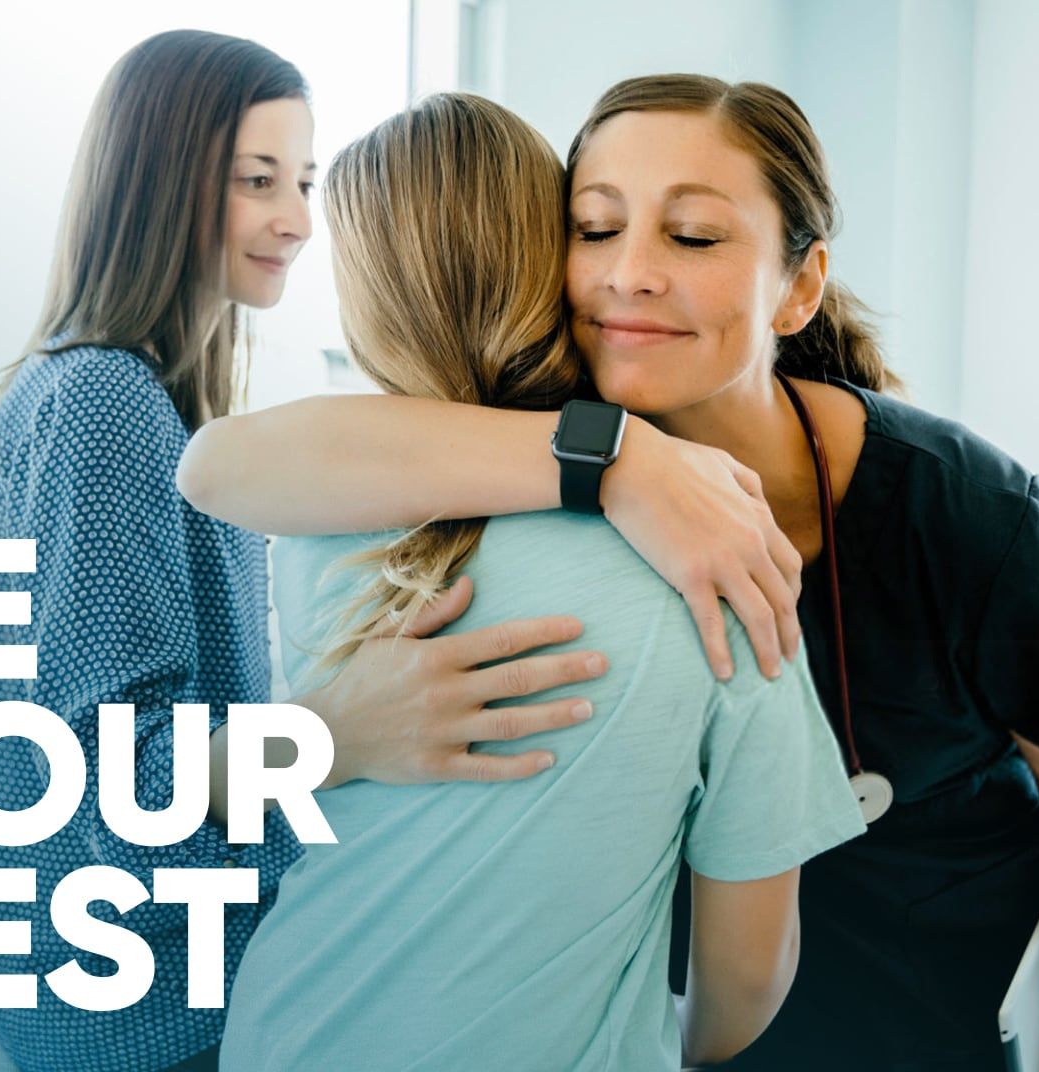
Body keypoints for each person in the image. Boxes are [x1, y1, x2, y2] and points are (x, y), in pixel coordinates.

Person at [183, 75, 1039, 1070]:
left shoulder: (971, 512)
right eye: (594, 228)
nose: (629, 273)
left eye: (692, 237)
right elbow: (221, 466)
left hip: (925, 1007)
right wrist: (618, 462)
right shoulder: (513, 465)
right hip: (690, 1018)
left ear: (800, 285)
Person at [0, 32, 622, 1072]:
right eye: (255, 181)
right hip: (142, 1017)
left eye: (305, 183)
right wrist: (336, 730)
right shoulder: (104, 403)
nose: (294, 221)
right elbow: (98, 789)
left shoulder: (144, 400)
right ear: (156, 183)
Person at [214, 93, 867, 1071]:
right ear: (552, 259)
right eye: (598, 228)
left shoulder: (320, 525)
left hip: (285, 1032)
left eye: (686, 235)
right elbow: (747, 972)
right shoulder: (720, 563)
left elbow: (215, 472)